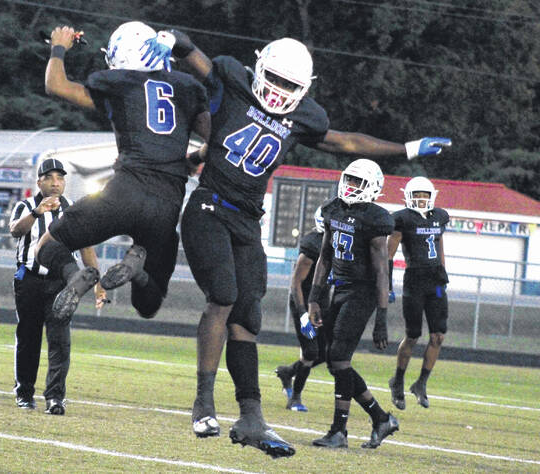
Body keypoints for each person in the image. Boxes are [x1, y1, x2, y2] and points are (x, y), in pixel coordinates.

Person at [141, 31, 450, 458]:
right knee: (224, 297)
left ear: (304, 89)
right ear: (258, 66)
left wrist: (408, 148)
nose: (279, 91)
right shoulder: (232, 78)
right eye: (275, 79)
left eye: (290, 86)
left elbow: (344, 142)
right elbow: (196, 56)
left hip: (248, 220)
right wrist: (173, 39)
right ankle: (203, 403)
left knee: (248, 317)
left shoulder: (305, 117)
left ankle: (251, 417)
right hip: (209, 204)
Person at [34, 22, 210, 326]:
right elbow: (217, 139)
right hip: (167, 205)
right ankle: (137, 271)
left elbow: (56, 85)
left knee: (47, 247)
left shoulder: (118, 82)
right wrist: (194, 157)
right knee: (148, 303)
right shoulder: (187, 87)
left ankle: (77, 275)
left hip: (124, 192)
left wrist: (59, 46)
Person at [307, 159, 398, 449]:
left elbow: (382, 270)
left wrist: (381, 318)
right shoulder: (333, 209)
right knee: (334, 361)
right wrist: (313, 299)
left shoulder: (376, 218)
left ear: (372, 187)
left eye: (358, 182)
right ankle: (381, 418)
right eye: (349, 179)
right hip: (340, 288)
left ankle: (339, 431)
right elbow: (324, 257)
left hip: (364, 292)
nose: (351, 186)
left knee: (339, 358)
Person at [10, 158, 106, 415]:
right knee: (29, 337)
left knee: (60, 340)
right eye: (50, 178)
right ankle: (25, 393)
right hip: (29, 279)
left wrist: (98, 283)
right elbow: (15, 231)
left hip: (61, 284)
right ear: (39, 181)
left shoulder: (73, 210)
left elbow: (86, 247)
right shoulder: (26, 205)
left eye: (60, 178)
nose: (55, 183)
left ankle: (55, 398)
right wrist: (36, 213)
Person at [387, 176, 449, 410]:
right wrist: (388, 285)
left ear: (432, 195)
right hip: (414, 280)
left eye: (425, 194)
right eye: (417, 195)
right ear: (408, 196)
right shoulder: (402, 219)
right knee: (412, 336)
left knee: (438, 336)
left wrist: (443, 271)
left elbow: (439, 243)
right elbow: (389, 254)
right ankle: (398, 381)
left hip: (435, 281)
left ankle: (421, 383)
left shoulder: (440, 216)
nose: (422, 199)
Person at [274, 207, 328, 412]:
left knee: (325, 354)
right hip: (303, 301)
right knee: (311, 351)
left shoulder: (339, 244)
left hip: (323, 302)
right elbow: (296, 283)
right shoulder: (313, 244)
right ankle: (295, 398)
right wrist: (303, 314)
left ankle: (288, 372)